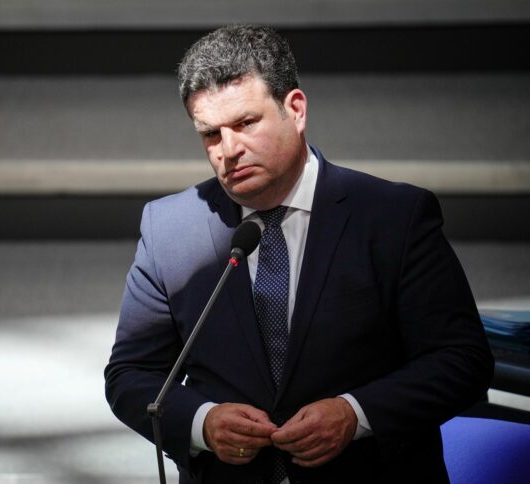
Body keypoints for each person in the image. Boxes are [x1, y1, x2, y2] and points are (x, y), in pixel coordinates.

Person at [104, 25, 494, 483]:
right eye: (210, 134)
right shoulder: (169, 227)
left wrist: (355, 414)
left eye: (246, 123)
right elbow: (131, 374)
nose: (229, 150)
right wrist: (202, 423)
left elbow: (462, 359)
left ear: (295, 109)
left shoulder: (394, 216)